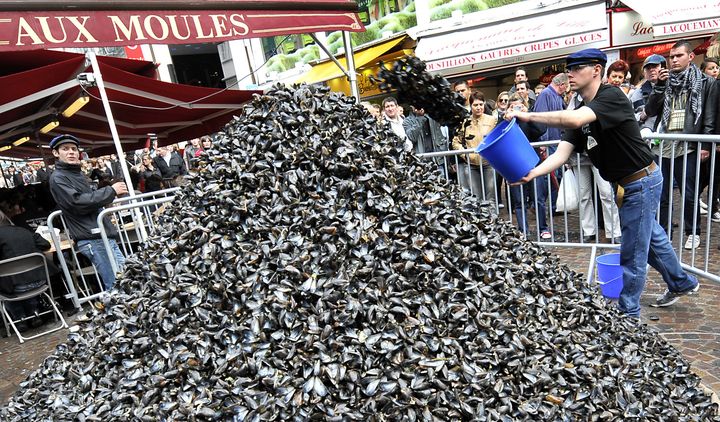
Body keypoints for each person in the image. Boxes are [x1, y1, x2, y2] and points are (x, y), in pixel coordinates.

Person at [504, 48, 699, 317]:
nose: (569, 73)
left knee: (633, 250)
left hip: (642, 180)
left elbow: (573, 119)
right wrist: (531, 174)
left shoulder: (611, 96)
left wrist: (527, 115)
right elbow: (562, 153)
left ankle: (628, 311)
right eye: (568, 69)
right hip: (626, 184)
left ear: (596, 69)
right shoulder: (580, 112)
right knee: (651, 240)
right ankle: (682, 282)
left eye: (576, 68)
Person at [645, 40, 717, 250]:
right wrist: (658, 86)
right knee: (663, 193)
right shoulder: (664, 81)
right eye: (671, 56)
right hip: (664, 144)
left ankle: (692, 231)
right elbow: (650, 111)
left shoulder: (705, 82)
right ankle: (664, 233)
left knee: (689, 193)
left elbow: (710, 116)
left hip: (689, 144)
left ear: (690, 57)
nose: (674, 60)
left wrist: (705, 144)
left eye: (679, 55)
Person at [48, 134, 128, 291]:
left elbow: (87, 200)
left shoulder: (76, 173)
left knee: (125, 279)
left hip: (102, 235)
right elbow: (77, 202)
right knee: (116, 285)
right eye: (65, 149)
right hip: (92, 238)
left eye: (73, 149)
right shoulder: (58, 178)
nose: (71, 152)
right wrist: (110, 191)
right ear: (56, 153)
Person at [505, 93, 548, 237]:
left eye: (519, 105)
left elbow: (541, 130)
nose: (516, 108)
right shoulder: (506, 119)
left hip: (533, 162)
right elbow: (499, 133)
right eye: (513, 106)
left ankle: (543, 228)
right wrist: (507, 116)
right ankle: (523, 230)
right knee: (519, 200)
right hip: (514, 164)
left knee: (539, 198)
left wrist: (527, 114)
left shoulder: (529, 117)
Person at [451, 91, 497, 201]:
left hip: (488, 164)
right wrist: (465, 154)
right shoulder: (465, 122)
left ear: (484, 104)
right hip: (471, 164)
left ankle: (492, 218)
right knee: (476, 198)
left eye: (481, 104)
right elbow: (455, 141)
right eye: (475, 105)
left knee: (490, 196)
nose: (478, 107)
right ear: (471, 106)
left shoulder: (492, 120)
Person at [403, 106, 449, 177]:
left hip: (438, 161)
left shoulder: (433, 116)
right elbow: (412, 137)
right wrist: (420, 118)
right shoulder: (407, 121)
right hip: (421, 164)